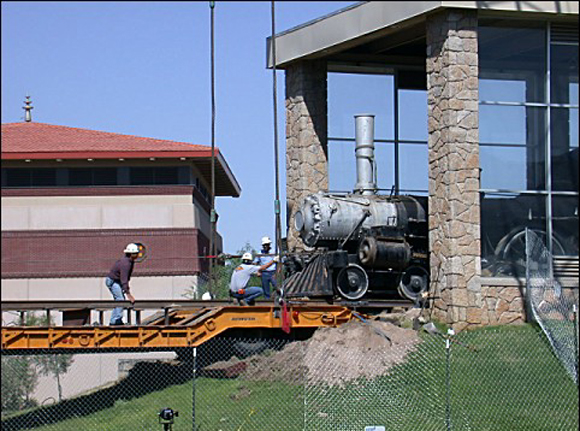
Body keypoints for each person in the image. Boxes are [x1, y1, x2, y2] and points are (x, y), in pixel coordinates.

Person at [105, 243, 141, 325]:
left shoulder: (129, 261)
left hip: (116, 281)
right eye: (136, 253)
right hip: (113, 281)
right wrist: (128, 294)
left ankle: (116, 319)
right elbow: (124, 279)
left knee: (119, 300)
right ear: (132, 254)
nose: (138, 255)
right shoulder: (126, 263)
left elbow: (125, 278)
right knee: (120, 300)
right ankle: (114, 321)